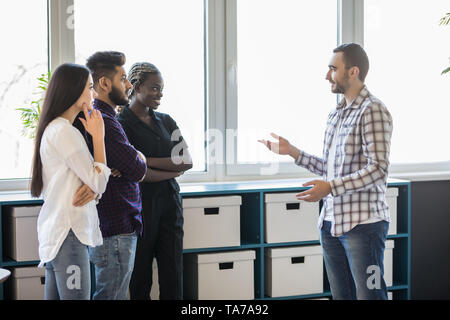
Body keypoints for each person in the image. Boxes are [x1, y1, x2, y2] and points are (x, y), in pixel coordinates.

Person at [259, 43, 393, 300]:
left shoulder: (372, 110)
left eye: (333, 68)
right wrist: (293, 152)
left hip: (363, 226)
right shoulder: (336, 113)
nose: (327, 75)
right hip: (331, 224)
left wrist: (330, 188)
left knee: (371, 295)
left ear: (353, 72)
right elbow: (332, 169)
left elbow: (378, 169)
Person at [30, 63, 111, 300]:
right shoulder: (64, 132)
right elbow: (99, 181)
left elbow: (92, 183)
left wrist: (94, 189)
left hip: (60, 234)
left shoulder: (55, 129)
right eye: (89, 87)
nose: (94, 93)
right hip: (70, 235)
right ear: (73, 91)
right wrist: (99, 138)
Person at [117, 62, 192, 300]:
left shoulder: (167, 121)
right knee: (140, 276)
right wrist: (169, 168)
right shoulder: (120, 124)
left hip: (170, 204)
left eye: (162, 89)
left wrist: (143, 158)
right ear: (136, 87)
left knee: (173, 272)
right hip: (138, 208)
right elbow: (134, 171)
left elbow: (187, 161)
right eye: (155, 88)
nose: (160, 94)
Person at [83, 51, 148, 300]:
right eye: (123, 78)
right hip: (114, 228)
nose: (129, 84)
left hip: (115, 227)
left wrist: (134, 157)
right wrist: (137, 158)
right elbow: (138, 169)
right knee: (111, 296)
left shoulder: (108, 118)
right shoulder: (104, 122)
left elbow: (132, 164)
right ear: (104, 83)